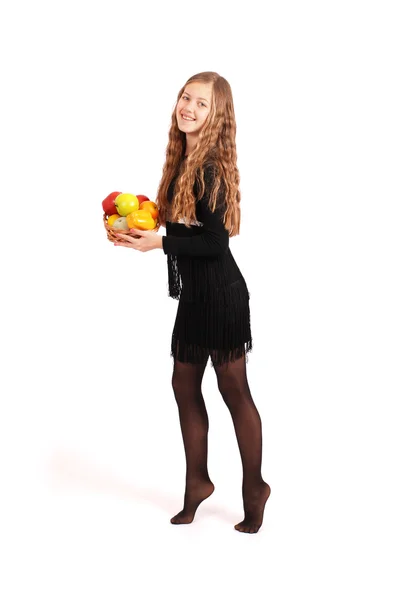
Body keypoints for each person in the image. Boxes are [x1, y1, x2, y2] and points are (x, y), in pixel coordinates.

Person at [114, 71, 271, 534]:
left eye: (202, 104)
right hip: (196, 298)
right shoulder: (183, 159)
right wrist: (139, 221)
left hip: (222, 295)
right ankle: (197, 482)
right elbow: (186, 223)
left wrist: (158, 245)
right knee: (184, 385)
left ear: (217, 116)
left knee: (233, 391)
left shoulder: (208, 168)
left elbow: (216, 244)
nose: (189, 108)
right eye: (186, 98)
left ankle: (255, 489)